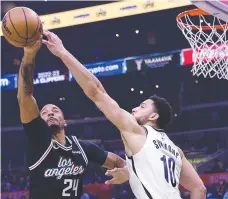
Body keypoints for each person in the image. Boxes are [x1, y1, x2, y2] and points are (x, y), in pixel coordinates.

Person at [42, 30, 207, 199]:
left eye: (142, 106)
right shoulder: (175, 150)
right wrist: (130, 174)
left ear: (153, 116)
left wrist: (62, 52)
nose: (134, 109)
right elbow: (199, 189)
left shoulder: (136, 130)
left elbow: (96, 91)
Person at [17, 38, 125, 199]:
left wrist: (127, 172)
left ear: (64, 120)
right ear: (38, 121)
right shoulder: (38, 140)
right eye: (45, 112)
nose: (50, 113)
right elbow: (24, 96)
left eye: (55, 110)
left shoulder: (82, 148)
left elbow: (118, 162)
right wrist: (29, 55)